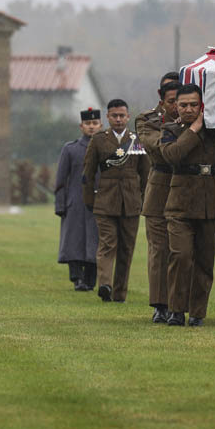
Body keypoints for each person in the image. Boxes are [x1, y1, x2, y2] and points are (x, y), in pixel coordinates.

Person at [159, 84, 215, 327]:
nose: (188, 109)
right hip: (180, 202)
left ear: (202, 106)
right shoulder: (170, 130)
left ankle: (197, 312)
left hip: (210, 201)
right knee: (181, 256)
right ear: (176, 106)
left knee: (205, 261)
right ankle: (176, 310)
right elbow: (171, 155)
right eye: (183, 105)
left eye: (193, 105)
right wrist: (195, 129)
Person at [82, 99, 149, 303]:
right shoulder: (99, 140)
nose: (118, 119)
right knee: (107, 244)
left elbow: (145, 173)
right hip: (105, 201)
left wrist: (144, 200)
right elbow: (88, 172)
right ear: (108, 118)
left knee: (127, 248)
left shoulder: (136, 140)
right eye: (114, 116)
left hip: (130, 202)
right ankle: (105, 284)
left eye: (122, 115)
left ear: (128, 117)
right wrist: (90, 200)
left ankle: (119, 293)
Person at [135, 75, 181, 323]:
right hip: (159, 188)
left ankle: (178, 304)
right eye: (172, 101)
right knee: (159, 250)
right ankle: (160, 304)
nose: (177, 106)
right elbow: (157, 148)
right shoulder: (146, 120)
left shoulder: (193, 119)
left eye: (180, 101)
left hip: (186, 188)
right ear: (161, 100)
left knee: (182, 251)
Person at [55, 107, 102, 291]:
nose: (91, 127)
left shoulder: (106, 148)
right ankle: (77, 278)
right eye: (88, 124)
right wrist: (60, 205)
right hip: (74, 202)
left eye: (94, 123)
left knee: (94, 242)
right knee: (73, 241)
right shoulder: (70, 149)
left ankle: (90, 280)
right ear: (81, 126)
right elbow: (61, 179)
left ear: (100, 125)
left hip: (98, 202)